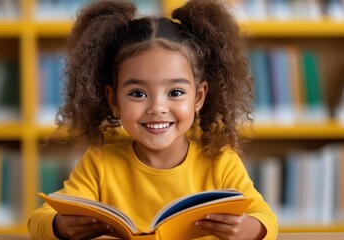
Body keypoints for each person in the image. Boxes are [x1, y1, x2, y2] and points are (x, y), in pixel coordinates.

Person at [28, 0, 278, 239]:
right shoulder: (99, 163)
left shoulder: (220, 163)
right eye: (138, 93)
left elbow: (266, 219)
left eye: (175, 93)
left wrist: (249, 230)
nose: (157, 108)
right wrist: (60, 226)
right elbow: (39, 220)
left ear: (198, 97)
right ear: (114, 100)